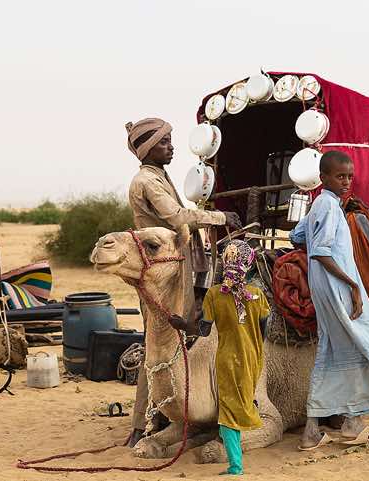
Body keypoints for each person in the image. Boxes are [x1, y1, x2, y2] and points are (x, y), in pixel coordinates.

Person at [125, 117, 241, 447]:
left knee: (174, 340)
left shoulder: (158, 176)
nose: (171, 146)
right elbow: (177, 217)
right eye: (164, 142)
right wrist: (221, 217)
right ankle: (142, 424)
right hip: (160, 275)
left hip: (173, 270)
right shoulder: (146, 181)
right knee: (158, 343)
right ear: (148, 148)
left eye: (170, 140)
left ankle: (167, 414)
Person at [290, 150, 369, 450]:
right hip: (337, 287)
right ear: (323, 178)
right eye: (340, 176)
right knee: (368, 344)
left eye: (350, 177)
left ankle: (316, 430)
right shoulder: (328, 206)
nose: (346, 182)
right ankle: (352, 422)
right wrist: (353, 285)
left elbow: (297, 236)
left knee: (333, 351)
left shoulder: (320, 206)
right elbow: (321, 252)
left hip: (323, 287)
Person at [189, 239, 269, 475]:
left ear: (225, 263)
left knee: (227, 412)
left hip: (228, 360)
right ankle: (236, 461)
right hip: (254, 360)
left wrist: (181, 324)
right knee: (241, 403)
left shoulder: (214, 295)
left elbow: (203, 331)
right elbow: (263, 331)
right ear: (249, 264)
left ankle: (236, 466)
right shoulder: (258, 295)